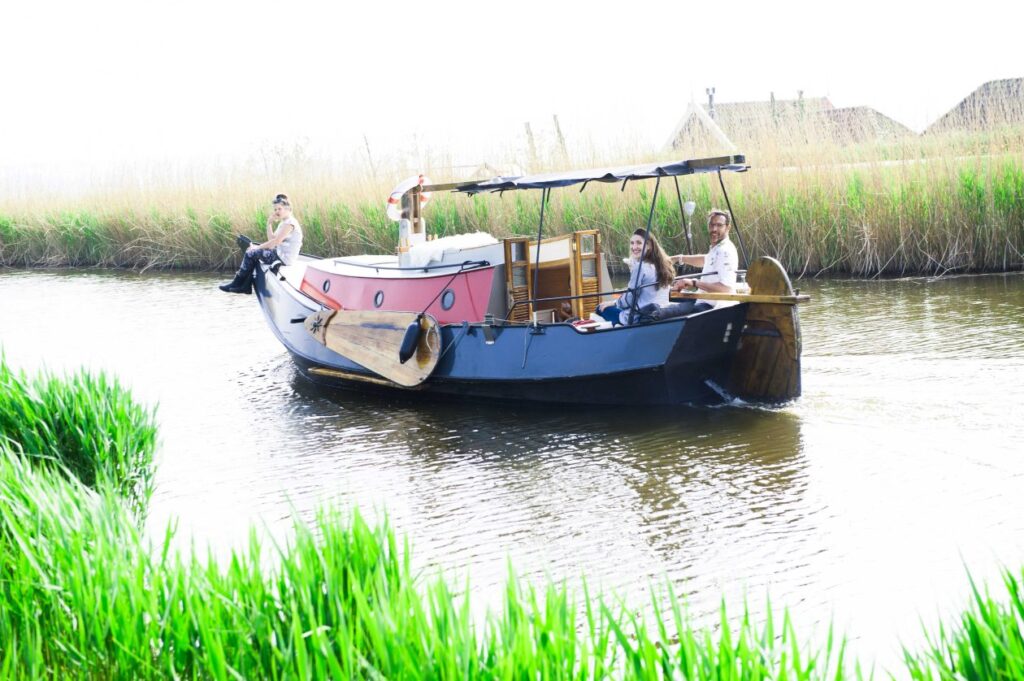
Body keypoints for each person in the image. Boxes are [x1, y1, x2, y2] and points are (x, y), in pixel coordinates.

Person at [219, 193, 304, 294]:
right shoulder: (284, 222)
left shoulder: (290, 223)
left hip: (284, 258)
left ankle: (238, 283)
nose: (277, 212)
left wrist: (257, 247)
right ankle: (245, 285)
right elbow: (271, 238)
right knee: (252, 252)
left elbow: (275, 242)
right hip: (278, 253)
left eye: (279, 209)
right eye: (275, 209)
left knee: (251, 253)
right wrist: (269, 223)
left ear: (288, 209)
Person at [664, 209, 739, 315]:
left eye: (719, 225)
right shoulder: (717, 247)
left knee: (665, 312)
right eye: (711, 225)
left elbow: (725, 289)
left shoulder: (725, 251)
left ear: (728, 227)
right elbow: (705, 260)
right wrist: (677, 258)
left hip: (715, 308)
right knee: (667, 303)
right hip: (703, 301)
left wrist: (694, 282)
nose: (714, 229)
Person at [595, 229, 674, 325]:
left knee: (600, 308)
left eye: (639, 243)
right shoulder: (663, 264)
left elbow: (630, 299)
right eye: (632, 243)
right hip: (661, 311)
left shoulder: (640, 267)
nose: (634, 247)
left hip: (639, 316)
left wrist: (614, 303)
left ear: (649, 246)